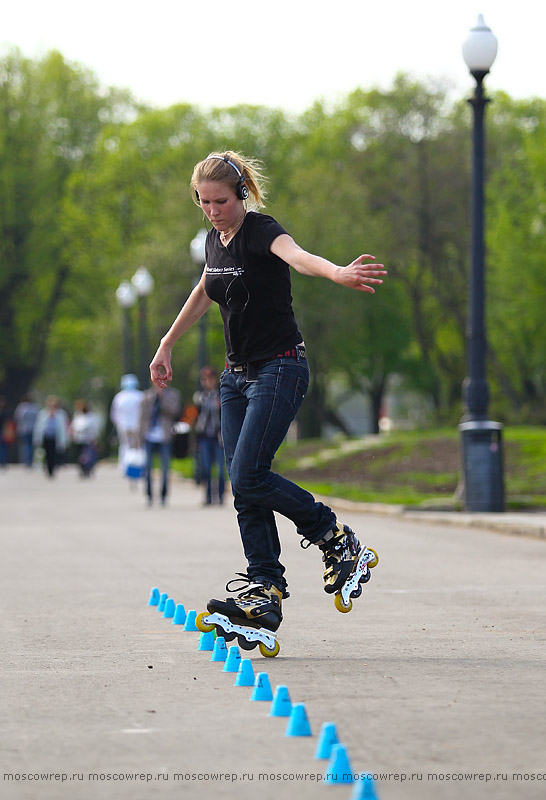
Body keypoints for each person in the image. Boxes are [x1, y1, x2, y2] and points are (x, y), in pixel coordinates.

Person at [149, 151, 386, 653]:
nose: (213, 210)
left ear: (241, 194)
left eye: (221, 201)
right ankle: (264, 591)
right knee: (243, 483)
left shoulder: (260, 230)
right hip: (236, 379)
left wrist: (336, 273)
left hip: (280, 367)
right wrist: (167, 343)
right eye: (204, 202)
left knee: (250, 473)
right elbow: (205, 290)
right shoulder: (216, 241)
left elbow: (298, 256)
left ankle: (336, 539)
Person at [138, 384, 181, 506]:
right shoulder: (146, 396)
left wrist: (162, 400)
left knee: (165, 468)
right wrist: (139, 438)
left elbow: (175, 411)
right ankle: (149, 495)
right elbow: (142, 417)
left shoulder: (172, 395)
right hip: (149, 436)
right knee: (148, 467)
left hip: (165, 436)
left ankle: (163, 495)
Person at [193, 366, 225, 506]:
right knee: (206, 468)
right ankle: (208, 496)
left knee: (220, 468)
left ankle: (220, 495)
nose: (206, 382)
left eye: (209, 379)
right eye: (204, 379)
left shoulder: (222, 395)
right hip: (204, 435)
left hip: (219, 436)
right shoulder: (200, 396)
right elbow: (197, 417)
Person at [110, 374, 143, 474]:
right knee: (138, 446)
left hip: (123, 426)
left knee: (124, 445)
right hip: (137, 426)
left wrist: (118, 424)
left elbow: (114, 414)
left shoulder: (119, 397)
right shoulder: (140, 396)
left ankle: (124, 466)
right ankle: (138, 466)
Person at [33, 396, 69, 477]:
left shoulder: (61, 414)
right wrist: (37, 438)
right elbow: (38, 426)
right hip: (46, 436)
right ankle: (48, 468)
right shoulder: (43, 413)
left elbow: (64, 427)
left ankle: (52, 469)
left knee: (54, 453)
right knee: (47, 453)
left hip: (56, 437)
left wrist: (65, 439)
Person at [69, 399, 101, 477]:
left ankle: (88, 468)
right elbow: (73, 426)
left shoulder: (92, 417)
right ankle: (82, 469)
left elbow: (95, 428)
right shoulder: (78, 416)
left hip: (88, 440)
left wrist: (94, 437)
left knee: (88, 456)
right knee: (79, 456)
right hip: (79, 439)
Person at [14, 394, 39, 468]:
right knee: (31, 445)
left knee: (26, 445)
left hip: (24, 429)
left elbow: (17, 417)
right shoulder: (34, 407)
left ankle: (27, 461)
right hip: (33, 428)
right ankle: (30, 461)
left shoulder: (21, 407)